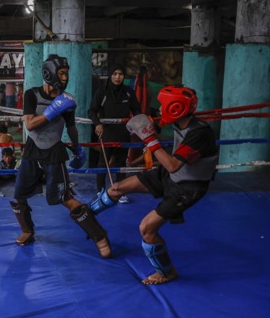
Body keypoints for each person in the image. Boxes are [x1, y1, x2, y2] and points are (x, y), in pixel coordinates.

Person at [90, 85, 218, 285]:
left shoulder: (200, 133)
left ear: (175, 108)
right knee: (117, 188)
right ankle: (87, 215)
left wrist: (150, 139)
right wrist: (147, 128)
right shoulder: (181, 122)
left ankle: (167, 273)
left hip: (188, 187)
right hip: (170, 175)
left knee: (146, 229)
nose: (159, 109)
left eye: (162, 105)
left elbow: (173, 165)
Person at [9, 55, 111, 258]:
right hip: (32, 150)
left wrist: (77, 148)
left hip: (54, 152)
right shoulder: (31, 94)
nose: (64, 78)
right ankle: (27, 230)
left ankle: (99, 236)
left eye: (66, 74)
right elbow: (29, 125)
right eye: (61, 73)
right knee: (19, 195)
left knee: (65, 197)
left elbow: (71, 127)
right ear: (49, 73)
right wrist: (52, 110)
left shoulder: (67, 100)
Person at [87, 63, 142, 203]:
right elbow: (91, 111)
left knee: (121, 163)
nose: (118, 77)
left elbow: (137, 110)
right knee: (103, 163)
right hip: (107, 133)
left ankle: (121, 191)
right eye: (115, 74)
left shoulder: (128, 92)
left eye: (120, 74)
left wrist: (136, 124)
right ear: (110, 75)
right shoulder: (102, 92)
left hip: (124, 133)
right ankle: (100, 190)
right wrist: (98, 123)